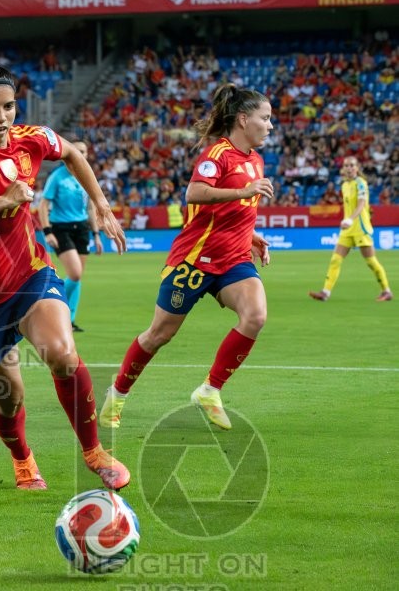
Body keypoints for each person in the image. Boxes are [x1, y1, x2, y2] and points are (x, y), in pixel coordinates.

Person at [0, 64, 130, 492]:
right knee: (7, 395)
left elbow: (73, 153)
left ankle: (94, 451)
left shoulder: (30, 138)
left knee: (62, 353)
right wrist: (3, 199)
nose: (2, 117)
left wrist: (103, 206)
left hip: (30, 273)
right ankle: (22, 459)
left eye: (8, 106)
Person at [100, 83, 274, 432]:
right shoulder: (217, 156)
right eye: (265, 118)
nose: (270, 125)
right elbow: (194, 193)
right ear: (243, 119)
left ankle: (210, 391)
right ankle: (116, 395)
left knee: (255, 316)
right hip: (194, 260)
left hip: (234, 259)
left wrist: (252, 235)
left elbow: (237, 208)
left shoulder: (255, 159)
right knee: (159, 335)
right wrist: (243, 190)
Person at [38, 140, 103, 333]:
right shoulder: (57, 177)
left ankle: (69, 319)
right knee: (74, 273)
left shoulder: (86, 177)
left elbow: (90, 207)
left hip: (82, 228)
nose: (81, 154)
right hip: (61, 228)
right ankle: (47, 310)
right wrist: (47, 231)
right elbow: (43, 205)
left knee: (77, 277)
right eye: (77, 150)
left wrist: (96, 234)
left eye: (84, 150)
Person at [308, 156, 392, 302]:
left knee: (371, 262)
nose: (349, 168)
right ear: (343, 169)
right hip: (348, 229)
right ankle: (325, 292)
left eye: (352, 165)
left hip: (360, 227)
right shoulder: (345, 185)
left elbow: (361, 204)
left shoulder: (361, 183)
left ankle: (386, 291)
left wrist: (350, 219)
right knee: (335, 259)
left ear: (357, 168)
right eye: (346, 165)